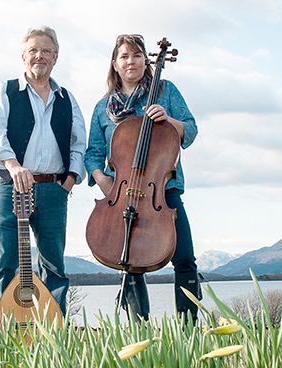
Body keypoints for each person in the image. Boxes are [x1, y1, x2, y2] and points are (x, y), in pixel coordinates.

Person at [84, 34, 201, 323]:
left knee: (185, 259)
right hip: (122, 194)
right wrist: (103, 181)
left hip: (163, 192)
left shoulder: (165, 91)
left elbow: (191, 130)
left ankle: (190, 331)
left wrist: (169, 121)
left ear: (146, 61)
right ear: (115, 63)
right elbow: (92, 154)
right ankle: (141, 331)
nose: (130, 62)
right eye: (124, 56)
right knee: (130, 264)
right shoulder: (103, 108)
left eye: (137, 56)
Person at [0, 26, 86, 318]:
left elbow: (79, 142)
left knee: (54, 266)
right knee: (4, 262)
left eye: (46, 51)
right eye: (33, 50)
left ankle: (54, 335)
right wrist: (13, 166)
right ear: (23, 56)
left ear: (55, 58)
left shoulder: (67, 97)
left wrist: (69, 181)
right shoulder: (5, 90)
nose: (39, 56)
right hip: (10, 187)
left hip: (54, 189)